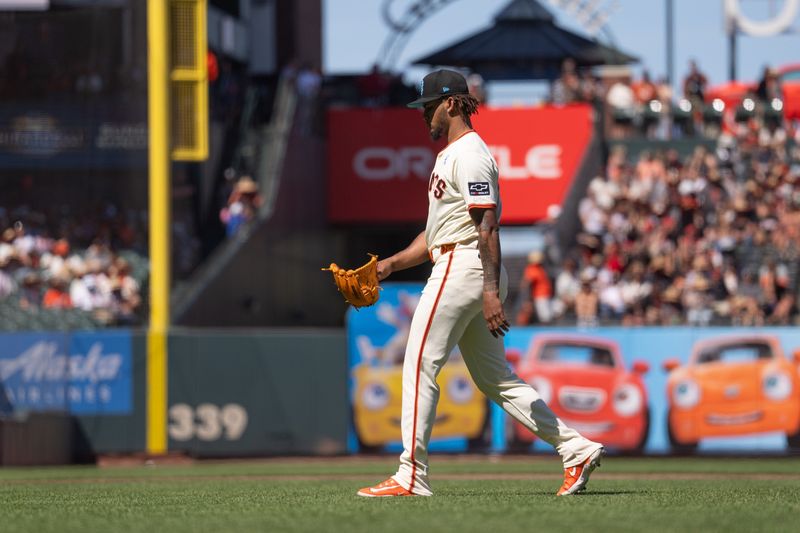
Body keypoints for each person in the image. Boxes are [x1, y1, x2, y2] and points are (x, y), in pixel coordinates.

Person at [357, 69, 604, 499]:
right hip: (460, 260)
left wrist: (490, 291)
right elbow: (438, 232)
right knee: (496, 380)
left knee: (418, 363)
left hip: (466, 266)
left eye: (429, 106)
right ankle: (575, 448)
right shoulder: (450, 155)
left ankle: (411, 474)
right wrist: (392, 264)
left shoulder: (470, 153)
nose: (424, 115)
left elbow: (486, 224)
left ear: (451, 104)